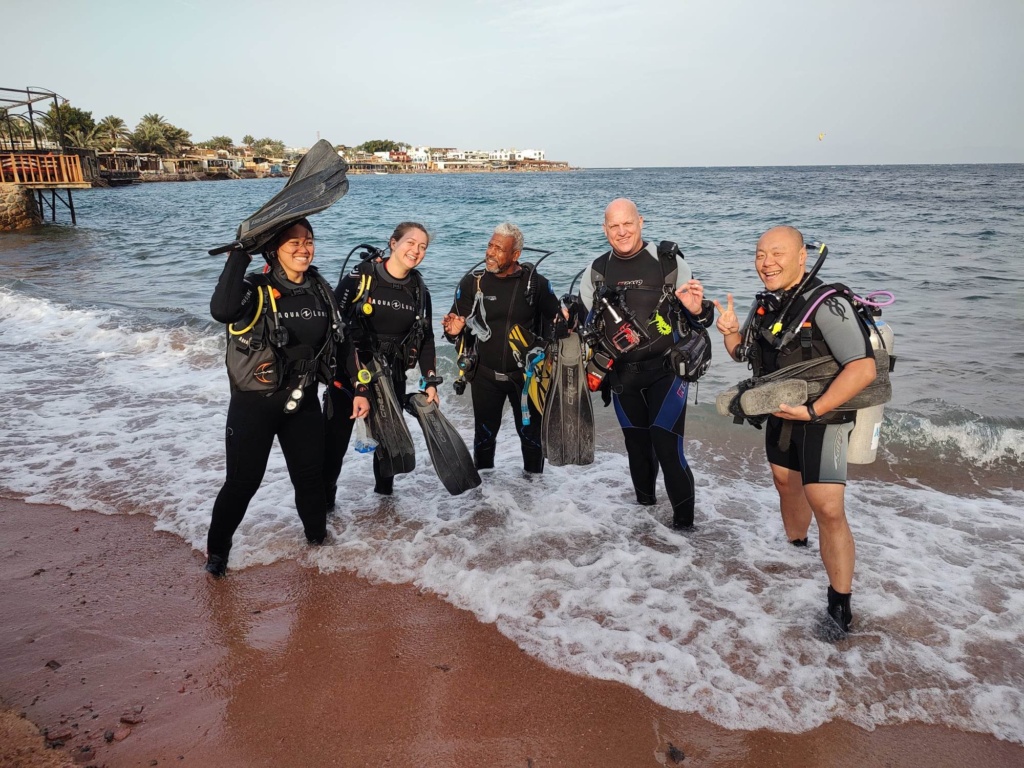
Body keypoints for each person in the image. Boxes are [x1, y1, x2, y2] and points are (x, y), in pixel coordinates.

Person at [713, 226, 877, 634]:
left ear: (803, 256)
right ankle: (797, 553)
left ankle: (839, 605)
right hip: (783, 411)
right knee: (784, 481)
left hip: (826, 413)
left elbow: (863, 368)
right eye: (759, 254)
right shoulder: (768, 303)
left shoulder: (827, 304)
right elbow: (745, 355)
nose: (766, 262)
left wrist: (814, 409)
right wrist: (730, 331)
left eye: (777, 253)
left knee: (827, 505)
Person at [206, 218, 353, 578]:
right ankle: (217, 554)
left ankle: (318, 545)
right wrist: (240, 253)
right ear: (273, 249)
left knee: (310, 479)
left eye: (309, 241)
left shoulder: (319, 288)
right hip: (254, 405)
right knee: (242, 484)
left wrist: (356, 389)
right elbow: (222, 310)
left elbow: (342, 341)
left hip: (302, 403)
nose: (304, 248)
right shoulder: (254, 289)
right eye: (293, 243)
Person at [577, 198, 713, 530]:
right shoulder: (595, 272)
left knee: (667, 447)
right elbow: (584, 328)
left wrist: (698, 311)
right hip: (622, 376)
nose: (622, 232)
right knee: (636, 448)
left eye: (628, 223)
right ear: (604, 229)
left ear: (640, 222)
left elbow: (701, 318)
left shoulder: (669, 264)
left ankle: (685, 532)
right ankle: (643, 531)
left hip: (666, 373)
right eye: (614, 226)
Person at [324, 221, 437, 499]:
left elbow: (426, 338)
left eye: (422, 247)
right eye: (410, 242)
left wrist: (431, 381)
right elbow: (333, 323)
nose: (416, 250)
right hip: (351, 375)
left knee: (388, 447)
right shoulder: (360, 278)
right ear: (393, 243)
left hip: (392, 377)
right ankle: (324, 505)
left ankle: (384, 510)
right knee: (334, 445)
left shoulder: (420, 291)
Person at [442, 222, 563, 474]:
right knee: (484, 439)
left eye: (499, 248)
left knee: (531, 439)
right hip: (485, 376)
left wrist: (564, 326)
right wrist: (451, 331)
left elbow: (557, 324)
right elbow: (456, 326)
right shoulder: (472, 284)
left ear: (515, 255)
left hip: (527, 378)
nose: (491, 252)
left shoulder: (536, 285)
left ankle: (534, 495)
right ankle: (484, 500)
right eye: (490, 245)